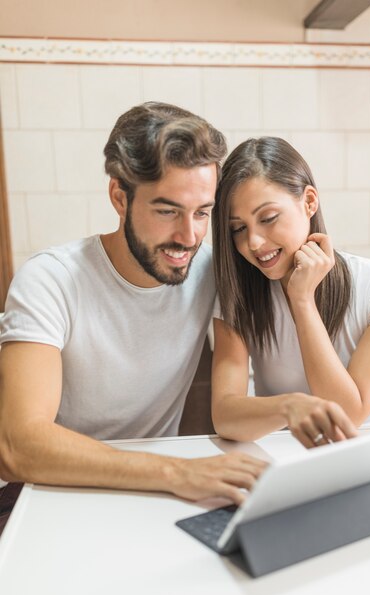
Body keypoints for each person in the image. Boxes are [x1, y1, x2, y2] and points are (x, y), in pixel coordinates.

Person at [0, 102, 268, 504]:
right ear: (119, 196)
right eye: (167, 210)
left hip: (152, 492)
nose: (189, 236)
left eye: (202, 213)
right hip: (53, 492)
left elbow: (285, 271)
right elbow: (19, 445)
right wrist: (176, 472)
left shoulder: (211, 271)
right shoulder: (50, 279)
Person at [211, 136, 370, 448]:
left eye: (268, 218)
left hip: (356, 459)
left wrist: (302, 300)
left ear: (309, 202)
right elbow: (225, 415)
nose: (253, 242)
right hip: (278, 458)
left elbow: (348, 417)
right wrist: (290, 406)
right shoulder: (237, 291)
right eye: (238, 228)